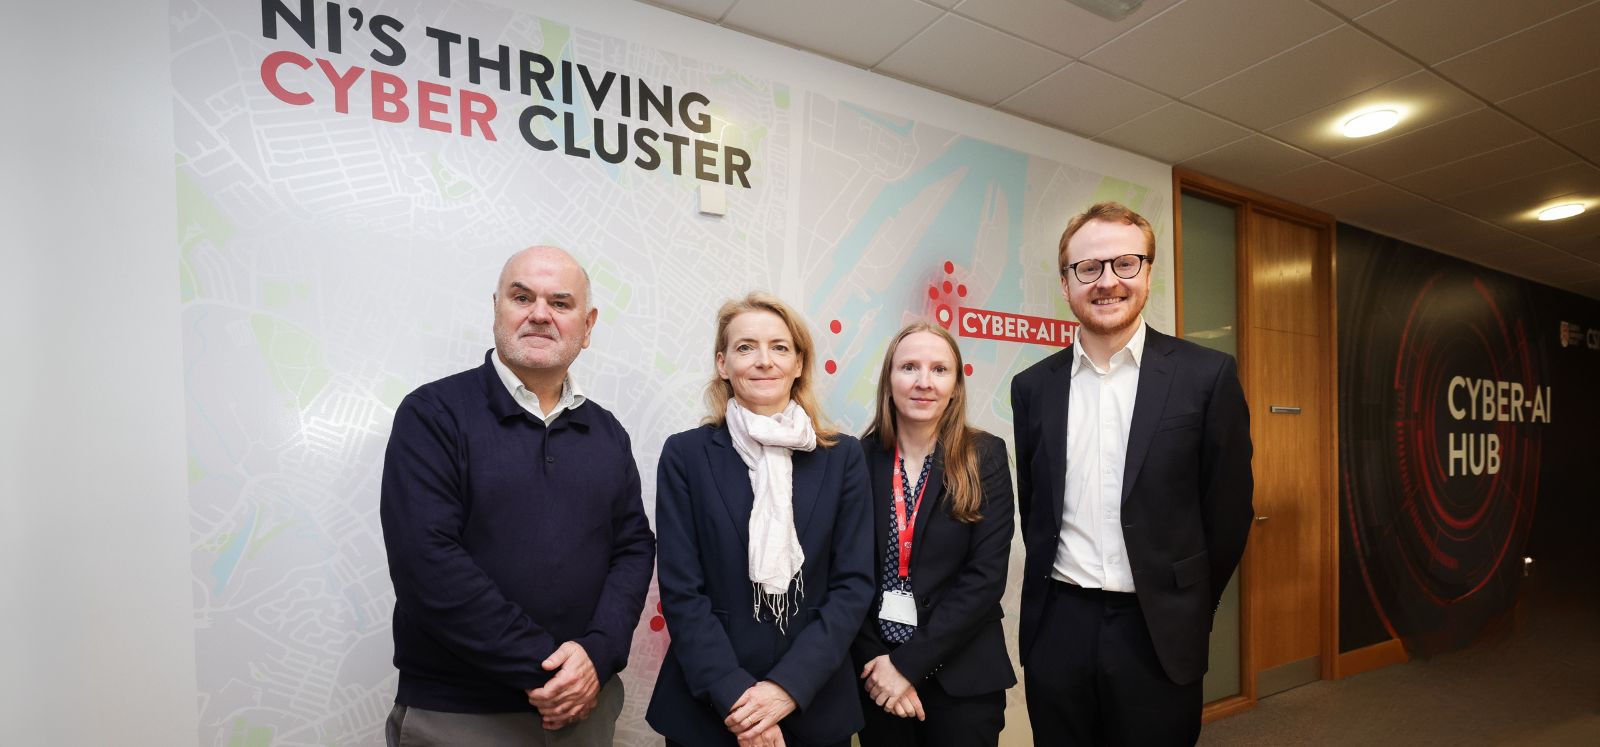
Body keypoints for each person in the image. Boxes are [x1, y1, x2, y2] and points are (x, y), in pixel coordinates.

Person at [379, 246, 656, 746]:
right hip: (460, 715)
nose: (540, 314)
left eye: (561, 302)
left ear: (587, 325)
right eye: (522, 296)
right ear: (496, 309)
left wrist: (597, 654)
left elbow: (633, 547)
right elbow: (427, 563)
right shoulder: (432, 415)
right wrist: (548, 670)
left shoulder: (607, 432)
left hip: (584, 709)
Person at [1011, 202, 1254, 745]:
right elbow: (1037, 509)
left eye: (1124, 264)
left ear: (1147, 273)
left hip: (1158, 629)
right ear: (1066, 282)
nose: (1107, 282)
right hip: (1060, 627)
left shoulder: (1205, 376)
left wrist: (1187, 605)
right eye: (1088, 268)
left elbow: (1229, 512)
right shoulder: (1033, 388)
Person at [647, 292, 874, 747]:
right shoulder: (685, 455)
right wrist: (737, 698)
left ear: (798, 364)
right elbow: (681, 590)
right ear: (722, 363)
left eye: (780, 347)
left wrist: (786, 689)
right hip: (708, 708)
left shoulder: (843, 456)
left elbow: (853, 586)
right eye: (746, 347)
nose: (763, 361)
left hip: (814, 703)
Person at [850, 322, 1017, 746]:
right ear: (889, 381)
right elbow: (844, 574)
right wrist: (878, 663)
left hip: (961, 680)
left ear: (956, 386)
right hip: (877, 677)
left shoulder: (986, 455)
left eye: (940, 370)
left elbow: (984, 579)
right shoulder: (855, 458)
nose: (924, 382)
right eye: (909, 367)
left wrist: (906, 665)